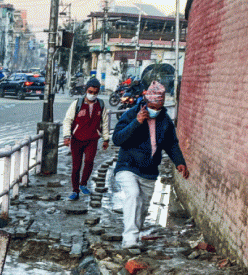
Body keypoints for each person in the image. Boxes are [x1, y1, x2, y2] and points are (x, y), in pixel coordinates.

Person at [112, 81, 189, 249]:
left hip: (149, 170)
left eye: (159, 106)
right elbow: (117, 139)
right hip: (128, 166)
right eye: (152, 106)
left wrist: (179, 162)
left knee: (143, 205)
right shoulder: (132, 114)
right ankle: (130, 240)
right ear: (146, 103)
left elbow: (171, 143)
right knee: (133, 195)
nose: (156, 109)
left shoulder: (165, 120)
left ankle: (135, 235)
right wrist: (136, 122)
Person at [62, 78, 109, 201]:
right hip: (77, 139)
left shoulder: (101, 105)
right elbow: (67, 120)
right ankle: (75, 190)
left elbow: (104, 123)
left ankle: (83, 184)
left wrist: (106, 139)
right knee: (76, 167)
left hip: (92, 139)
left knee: (89, 161)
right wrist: (67, 136)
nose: (92, 94)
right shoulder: (77, 104)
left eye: (95, 92)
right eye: (90, 91)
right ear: (86, 90)